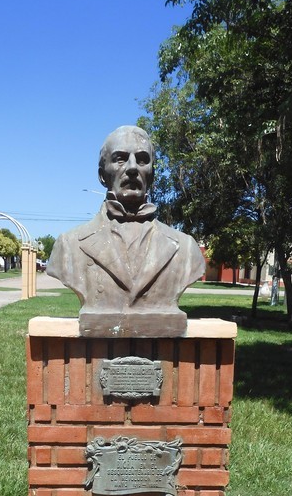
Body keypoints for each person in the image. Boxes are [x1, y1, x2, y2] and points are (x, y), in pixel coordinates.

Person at [47, 125, 205, 337]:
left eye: (142, 160)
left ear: (152, 174)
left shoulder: (185, 249)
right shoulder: (69, 246)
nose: (132, 168)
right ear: (102, 175)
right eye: (120, 159)